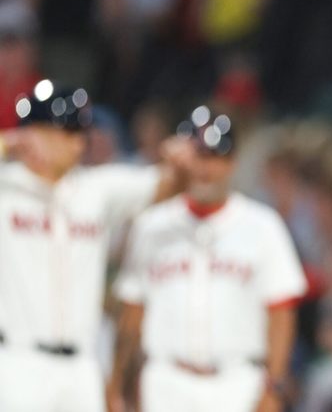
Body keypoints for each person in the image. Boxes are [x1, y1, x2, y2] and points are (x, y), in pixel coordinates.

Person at [0, 79, 190, 412]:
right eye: (64, 131)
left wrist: (180, 162)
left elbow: (165, 185)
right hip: (17, 362)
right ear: (33, 133)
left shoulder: (95, 190)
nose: (76, 142)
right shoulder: (7, 188)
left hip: (82, 367)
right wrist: (7, 144)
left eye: (78, 132)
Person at [109, 105, 308, 412]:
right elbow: (133, 312)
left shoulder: (263, 226)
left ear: (233, 162)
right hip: (166, 382)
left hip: (237, 383)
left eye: (217, 156)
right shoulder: (152, 226)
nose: (206, 168)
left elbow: (281, 311)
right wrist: (120, 382)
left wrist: (274, 385)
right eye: (199, 155)